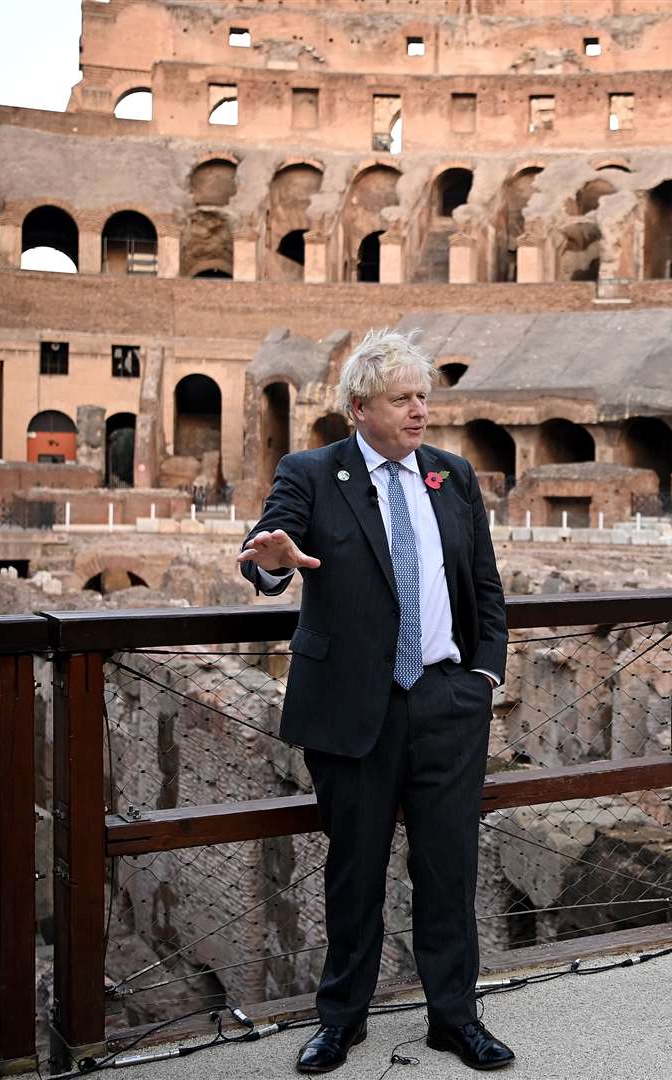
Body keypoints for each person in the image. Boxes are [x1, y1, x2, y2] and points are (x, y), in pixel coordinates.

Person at [237, 328, 512, 1073]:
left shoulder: (452, 477)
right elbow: (272, 543)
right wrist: (272, 563)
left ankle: (454, 1019)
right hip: (355, 708)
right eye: (403, 399)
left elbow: (484, 586)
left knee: (449, 871)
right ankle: (340, 1021)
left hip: (446, 705)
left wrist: (483, 678)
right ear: (360, 408)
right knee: (354, 872)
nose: (421, 411)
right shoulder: (312, 472)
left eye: (424, 396)